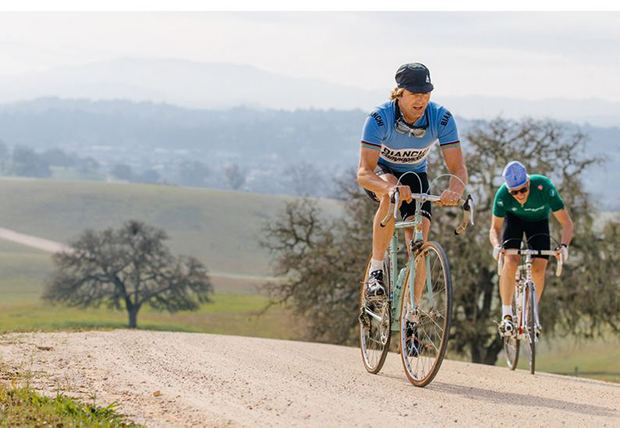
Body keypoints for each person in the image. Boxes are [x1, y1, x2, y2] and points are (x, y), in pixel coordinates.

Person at [357, 63, 468, 300]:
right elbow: (363, 173)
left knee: (418, 248)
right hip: (383, 172)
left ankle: (412, 317)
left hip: (416, 176)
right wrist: (389, 187)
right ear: (400, 93)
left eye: (426, 93)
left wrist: (455, 190)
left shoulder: (441, 117)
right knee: (391, 196)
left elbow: (458, 168)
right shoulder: (379, 118)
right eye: (415, 94)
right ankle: (376, 272)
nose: (421, 100)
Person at [489, 161, 573, 337]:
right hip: (514, 222)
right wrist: (497, 246)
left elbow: (566, 223)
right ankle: (506, 315)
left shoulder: (544, 187)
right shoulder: (503, 195)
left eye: (523, 190)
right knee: (510, 261)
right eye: (514, 192)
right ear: (508, 189)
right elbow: (494, 229)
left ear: (528, 183)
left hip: (539, 223)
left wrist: (564, 246)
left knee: (539, 268)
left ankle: (530, 314)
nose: (519, 195)